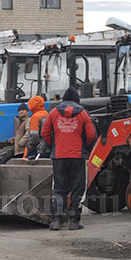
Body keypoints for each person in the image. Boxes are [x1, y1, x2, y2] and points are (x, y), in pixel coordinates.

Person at [40, 87, 96, 231]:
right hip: (78, 156)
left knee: (59, 188)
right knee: (78, 189)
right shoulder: (83, 113)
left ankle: (57, 220)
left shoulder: (53, 113)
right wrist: (86, 148)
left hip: (59, 156)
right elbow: (91, 135)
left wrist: (54, 145)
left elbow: (44, 132)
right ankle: (73, 221)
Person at [26, 95, 49, 160]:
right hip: (47, 147)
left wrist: (30, 148)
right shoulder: (47, 114)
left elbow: (34, 136)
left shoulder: (35, 117)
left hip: (37, 149)